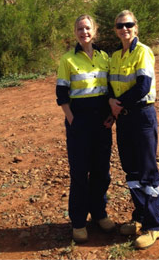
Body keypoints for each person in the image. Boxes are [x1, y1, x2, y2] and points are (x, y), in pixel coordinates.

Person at [56, 14, 115, 243]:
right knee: (80, 174)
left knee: (101, 172)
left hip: (102, 124)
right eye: (80, 29)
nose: (84, 32)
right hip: (79, 124)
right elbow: (62, 95)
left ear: (95, 30)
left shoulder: (104, 57)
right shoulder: (67, 60)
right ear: (75, 32)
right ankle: (79, 221)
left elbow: (110, 90)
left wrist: (111, 116)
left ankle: (99, 214)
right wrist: (72, 120)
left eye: (88, 28)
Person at [108, 10, 159, 249]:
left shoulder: (143, 52)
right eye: (120, 25)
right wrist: (112, 103)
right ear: (115, 30)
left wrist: (118, 105)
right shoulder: (115, 56)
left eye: (129, 24)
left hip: (141, 116)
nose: (125, 29)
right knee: (131, 171)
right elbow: (110, 86)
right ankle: (140, 217)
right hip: (124, 119)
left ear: (136, 27)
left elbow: (143, 86)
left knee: (147, 172)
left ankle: (154, 226)